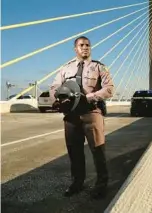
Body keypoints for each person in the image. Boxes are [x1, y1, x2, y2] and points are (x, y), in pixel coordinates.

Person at [49, 36, 114, 199]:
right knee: (74, 151)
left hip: (92, 113)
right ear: (75, 49)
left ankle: (101, 185)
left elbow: (109, 89)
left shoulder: (99, 67)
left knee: (98, 150)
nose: (85, 47)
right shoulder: (66, 69)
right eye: (81, 45)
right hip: (71, 115)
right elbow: (54, 87)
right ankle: (77, 183)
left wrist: (90, 97)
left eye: (87, 45)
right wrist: (58, 99)